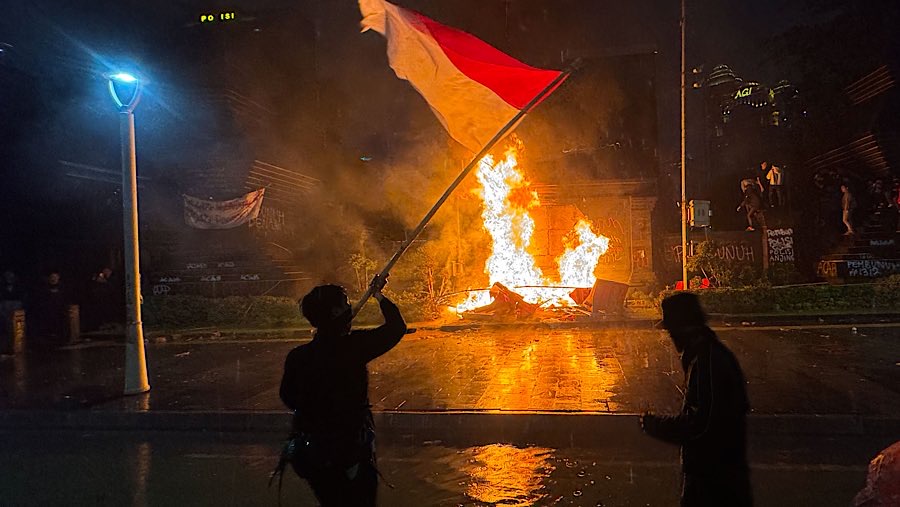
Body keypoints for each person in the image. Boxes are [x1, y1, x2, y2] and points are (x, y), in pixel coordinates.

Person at [279, 275, 406, 506]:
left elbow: (287, 397)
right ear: (336, 313)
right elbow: (396, 328)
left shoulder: (298, 357)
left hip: (315, 455)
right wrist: (378, 295)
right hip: (351, 453)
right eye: (346, 303)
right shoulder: (353, 347)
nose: (350, 306)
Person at [640, 293, 752, 507]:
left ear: (684, 328)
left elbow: (701, 425)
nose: (670, 336)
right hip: (714, 474)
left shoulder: (707, 362)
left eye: (671, 329)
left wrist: (655, 425)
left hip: (714, 479)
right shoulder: (704, 356)